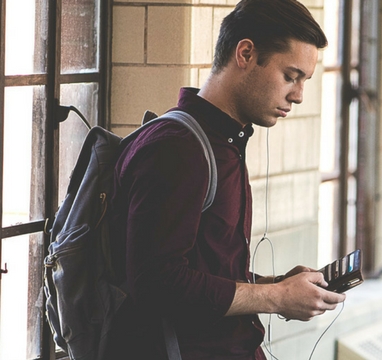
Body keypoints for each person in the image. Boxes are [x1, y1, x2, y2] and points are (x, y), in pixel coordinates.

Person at [107, 0, 345, 358]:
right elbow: (156, 283)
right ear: (246, 53)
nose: (297, 96)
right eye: (290, 76)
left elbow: (206, 271)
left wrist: (276, 286)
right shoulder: (177, 148)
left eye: (304, 81)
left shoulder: (223, 143)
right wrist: (276, 297)